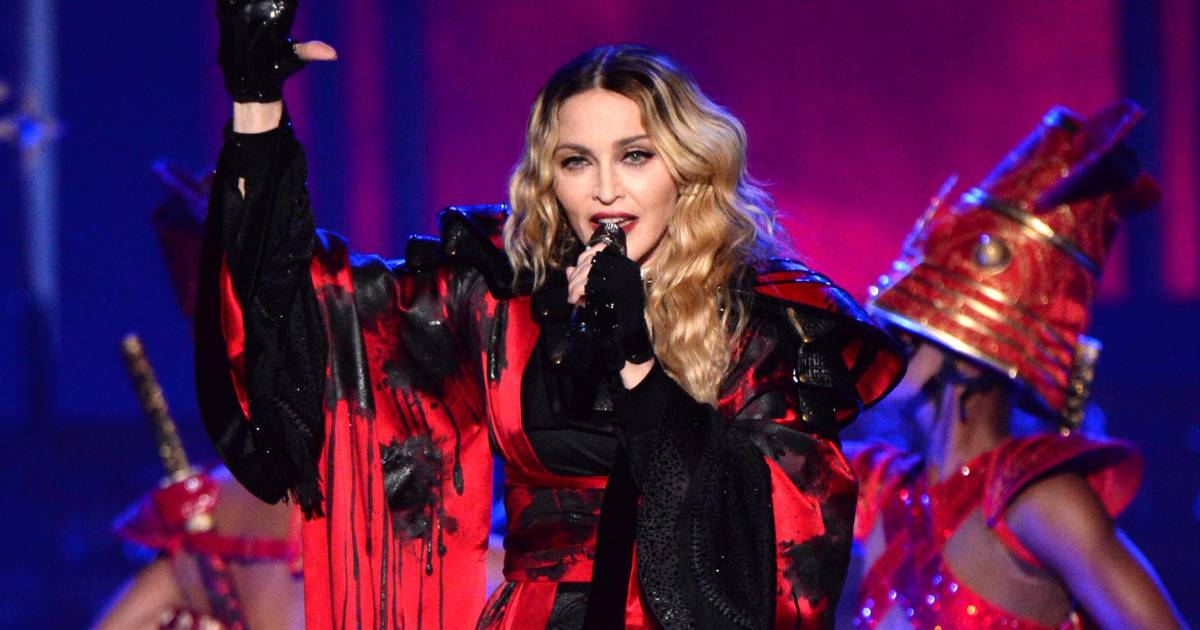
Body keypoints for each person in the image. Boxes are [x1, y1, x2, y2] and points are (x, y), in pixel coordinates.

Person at [195, 2, 904, 627]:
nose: (605, 190)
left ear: (687, 167)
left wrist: (636, 358)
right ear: (548, 177)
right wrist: (255, 107)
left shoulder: (763, 322)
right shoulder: (504, 299)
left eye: (635, 156)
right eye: (576, 162)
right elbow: (303, 325)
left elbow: (781, 557)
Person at [843, 102, 1186, 629]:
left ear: (974, 355)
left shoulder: (1036, 499)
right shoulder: (884, 489)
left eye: (914, 329)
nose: (890, 340)